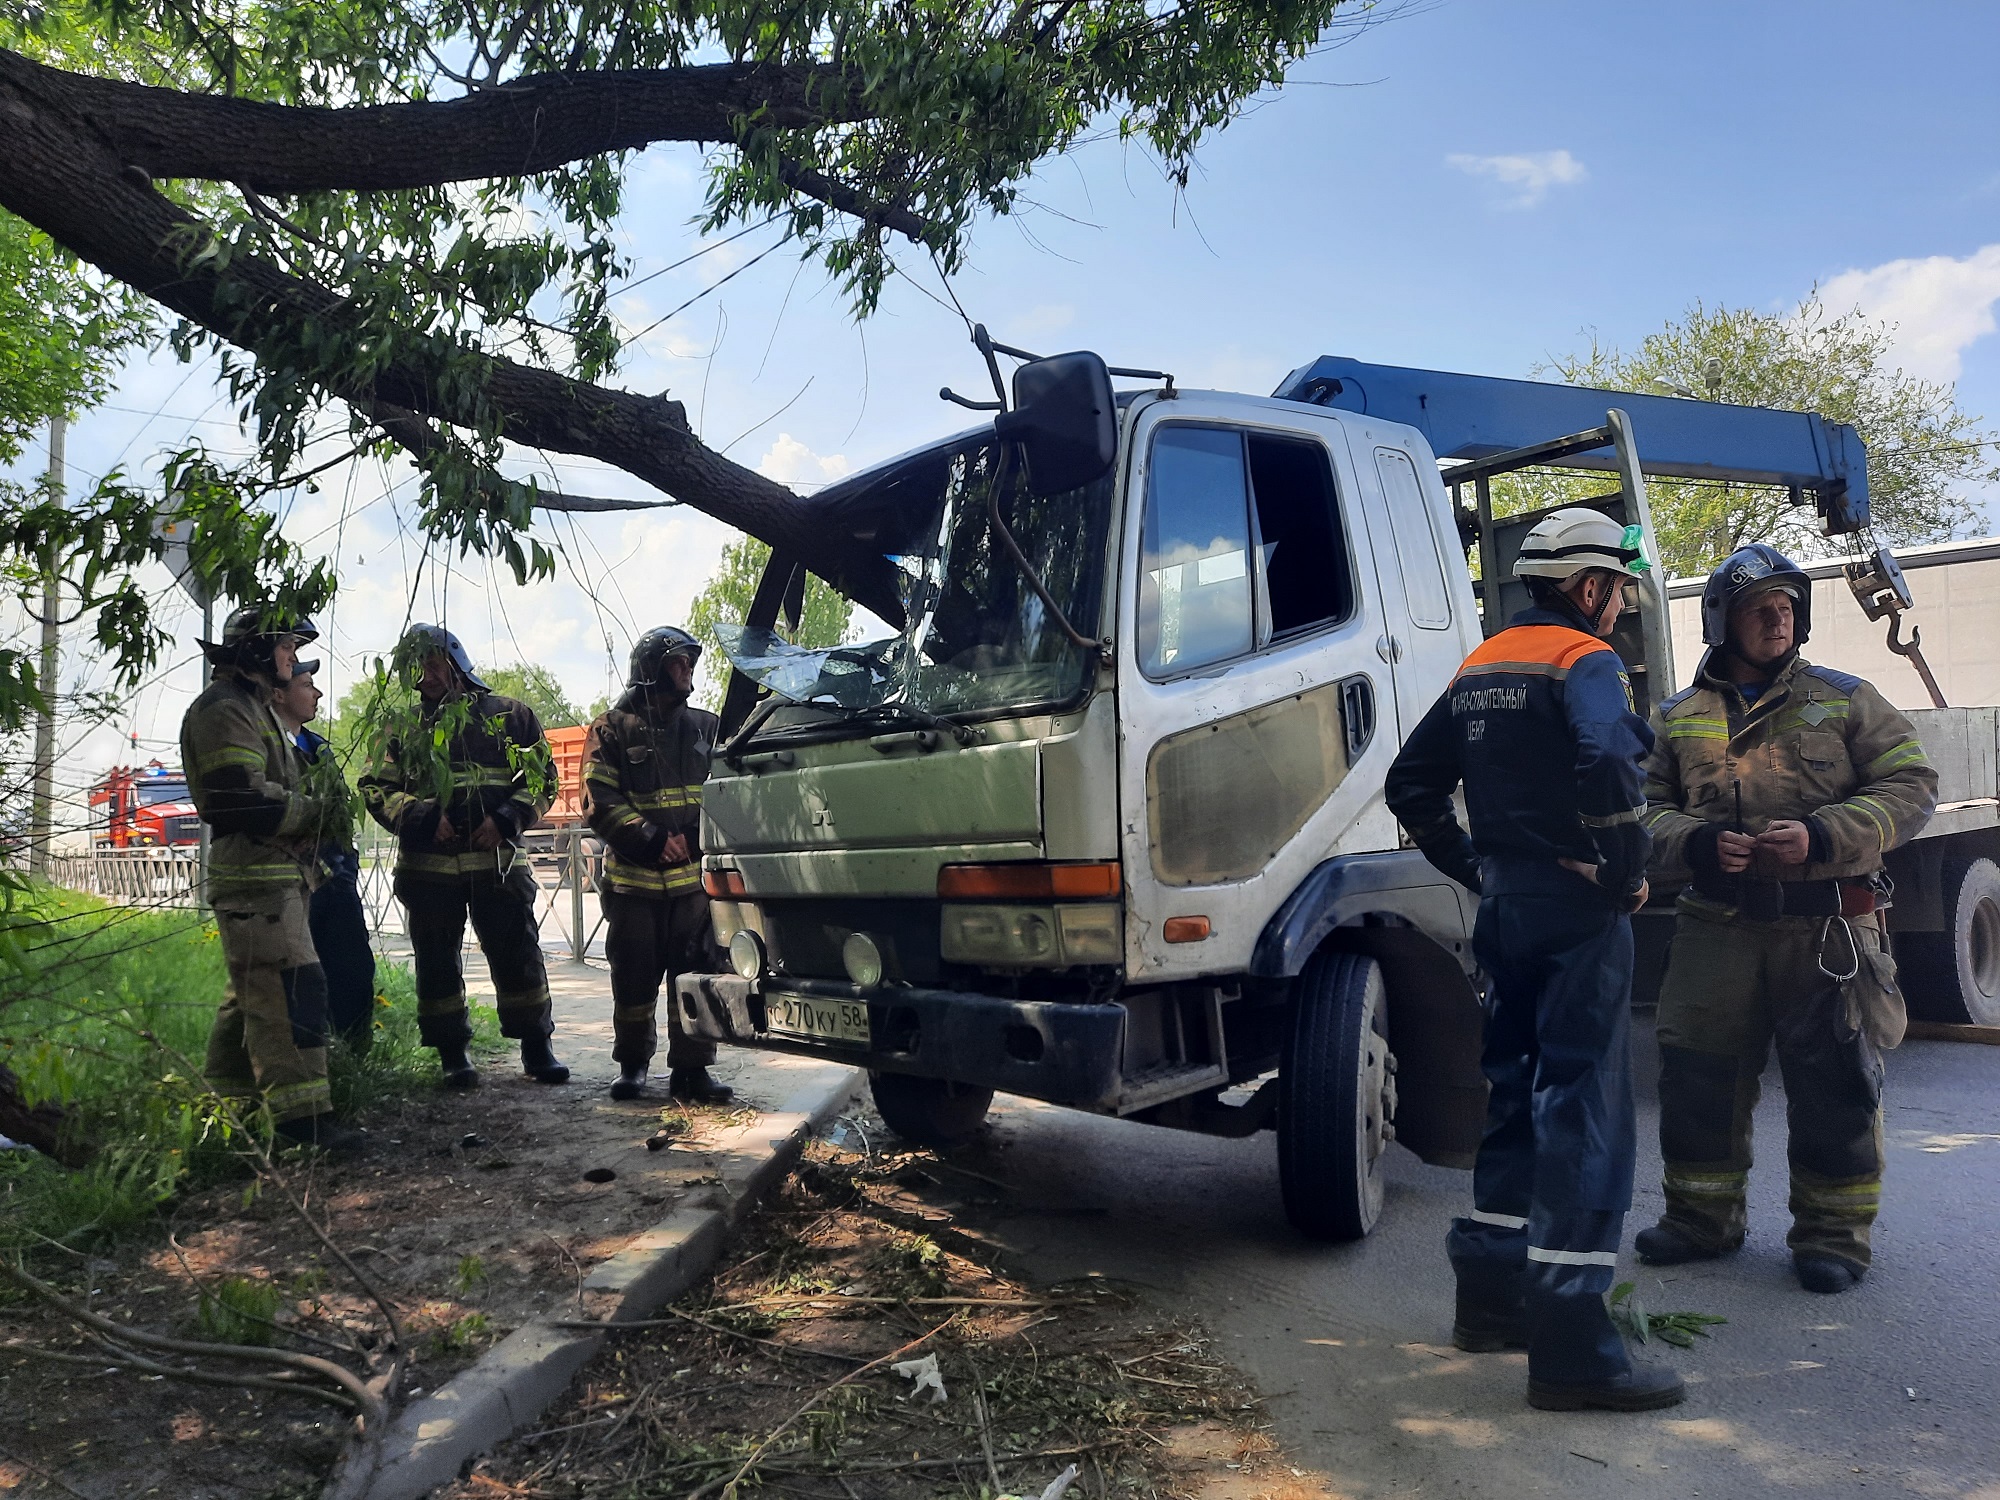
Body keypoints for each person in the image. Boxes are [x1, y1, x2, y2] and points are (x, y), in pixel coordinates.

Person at [1386, 507, 1682, 1412]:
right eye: (1620, 590)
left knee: (1512, 1101)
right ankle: (1574, 1355)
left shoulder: (1479, 666)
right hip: (1575, 915)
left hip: (1505, 912)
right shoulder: (1585, 662)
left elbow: (1411, 785)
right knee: (1586, 1111)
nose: (1623, 608)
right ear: (1589, 587)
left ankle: (1491, 1305)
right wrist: (1624, 870)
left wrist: (1478, 867)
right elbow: (1606, 763)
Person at [1634, 545, 1936, 1294]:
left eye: (1788, 606)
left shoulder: (1845, 697)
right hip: (1716, 929)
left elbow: (1913, 785)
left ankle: (1833, 1238)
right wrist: (1695, 843)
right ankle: (1700, 1221)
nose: (1779, 618)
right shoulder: (1674, 717)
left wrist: (1826, 835)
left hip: (1827, 931)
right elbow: (1636, 814)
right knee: (1698, 1078)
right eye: (1759, 607)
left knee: (1835, 1083)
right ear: (1720, 621)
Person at [181, 605, 362, 1153]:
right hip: (255, 885)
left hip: (274, 883)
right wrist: (316, 815)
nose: (292, 656)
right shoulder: (224, 709)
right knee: (291, 994)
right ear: (257, 652)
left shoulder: (250, 707)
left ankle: (225, 1122)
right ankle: (303, 1125)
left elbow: (269, 792)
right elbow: (238, 797)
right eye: (285, 647)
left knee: (252, 997)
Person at [359, 624, 564, 1087]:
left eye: (433, 662)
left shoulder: (511, 715)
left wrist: (507, 819)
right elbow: (376, 787)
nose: (426, 675)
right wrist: (422, 817)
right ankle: (453, 1055)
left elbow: (542, 780)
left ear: (456, 659)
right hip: (429, 872)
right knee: (436, 965)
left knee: (519, 957)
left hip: (498, 869)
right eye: (417, 666)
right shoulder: (398, 727)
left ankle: (538, 1047)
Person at [582, 627, 734, 1104]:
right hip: (633, 885)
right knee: (632, 975)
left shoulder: (708, 727)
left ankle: (693, 1070)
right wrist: (649, 840)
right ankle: (632, 1066)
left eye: (690, 661)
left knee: (695, 971)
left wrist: (690, 840)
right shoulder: (610, 729)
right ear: (651, 671)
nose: (688, 669)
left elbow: (727, 793)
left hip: (692, 884)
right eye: (677, 662)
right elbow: (597, 797)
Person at [272, 662, 378, 1054]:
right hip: (291, 884)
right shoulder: (269, 747)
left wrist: (345, 867)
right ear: (279, 694)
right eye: (308, 685)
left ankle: (355, 1054)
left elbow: (338, 815)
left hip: (333, 881)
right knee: (303, 978)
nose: (317, 694)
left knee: (354, 968)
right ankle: (312, 1059)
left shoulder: (317, 747)